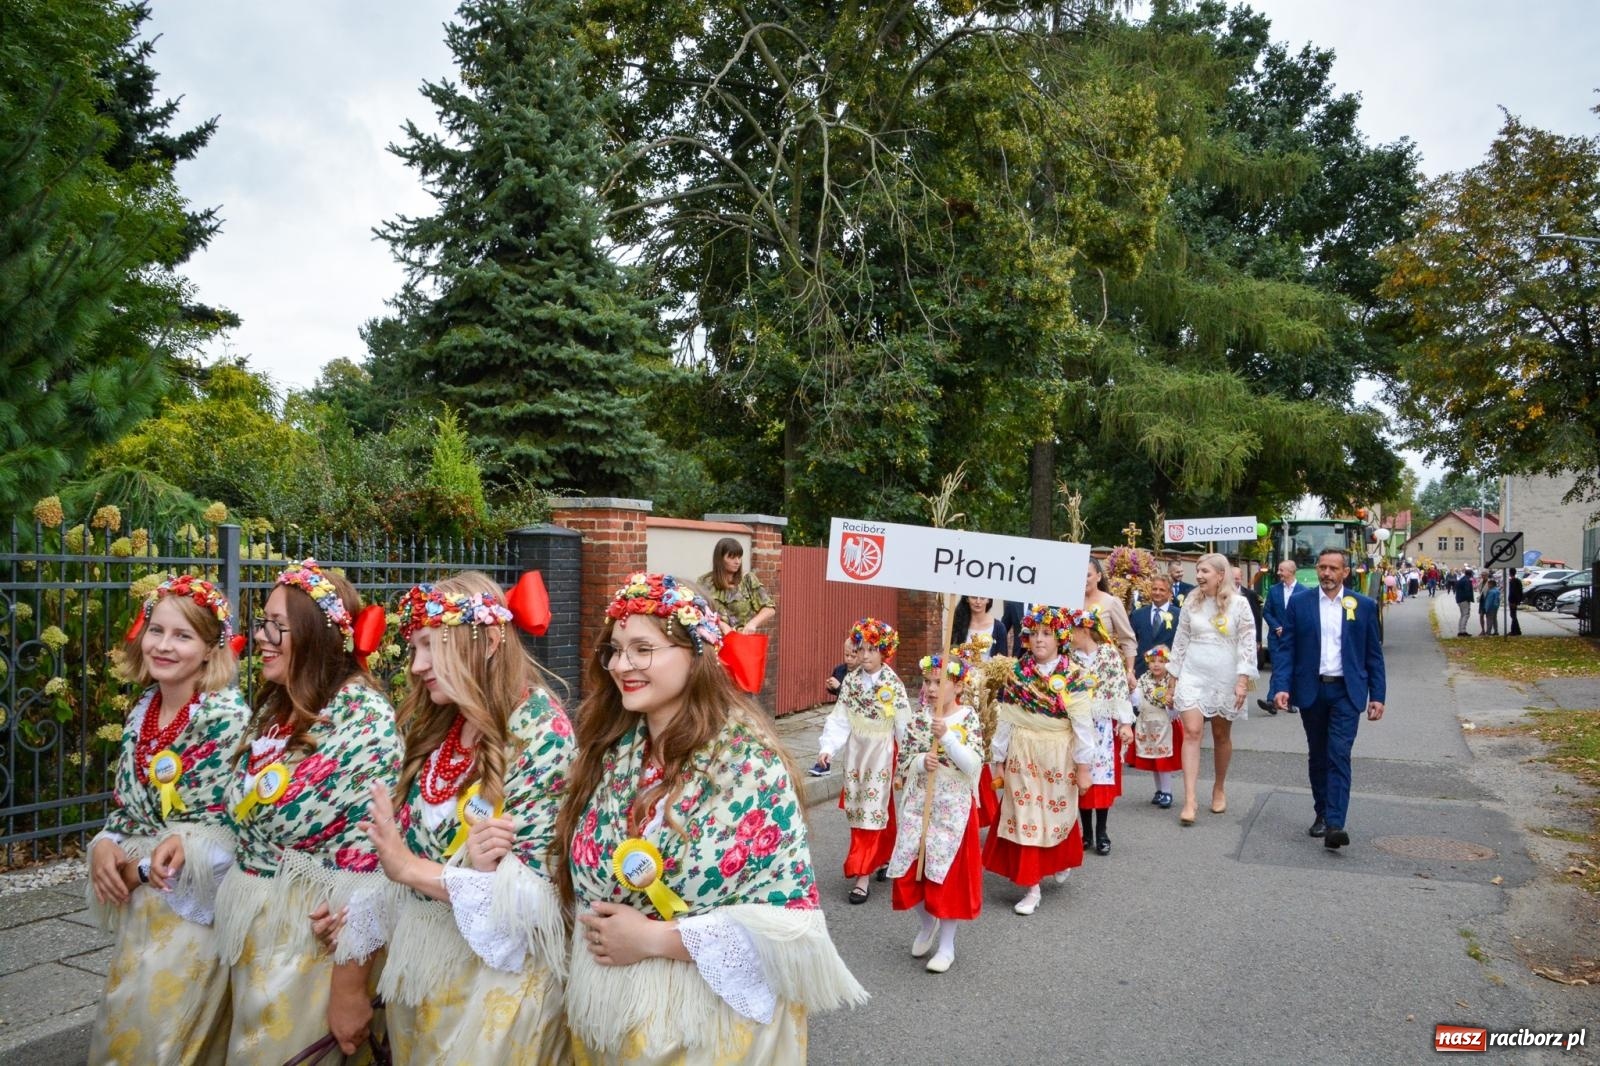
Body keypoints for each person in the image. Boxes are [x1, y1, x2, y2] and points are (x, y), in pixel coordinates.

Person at [552, 573, 865, 1064]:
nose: (621, 665)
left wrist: (653, 938)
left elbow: (789, 927)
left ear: (698, 652)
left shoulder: (749, 764)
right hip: (608, 1024)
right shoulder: (610, 750)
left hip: (707, 1030)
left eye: (642, 649)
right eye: (615, 649)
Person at [340, 572, 574, 1064]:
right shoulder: (439, 724)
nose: (418, 666)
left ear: (489, 641)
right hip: (425, 984)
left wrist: (409, 869)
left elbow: (539, 899)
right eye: (415, 649)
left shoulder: (541, 730)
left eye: (431, 647)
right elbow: (407, 862)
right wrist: (361, 921)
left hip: (498, 995)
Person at [190, 559, 400, 1062]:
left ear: (316, 635)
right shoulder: (277, 706)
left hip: (313, 954)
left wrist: (349, 988)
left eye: (276, 626)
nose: (261, 637)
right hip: (260, 948)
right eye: (261, 623)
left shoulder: (363, 719)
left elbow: (368, 862)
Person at [86, 576, 249, 1066]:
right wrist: (103, 844)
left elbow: (231, 828)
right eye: (157, 630)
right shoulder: (145, 709)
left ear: (210, 648)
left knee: (162, 1043)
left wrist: (138, 868)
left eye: (183, 636)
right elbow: (129, 808)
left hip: (191, 920)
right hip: (143, 916)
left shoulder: (226, 717)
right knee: (124, 1026)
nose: (163, 645)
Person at [982, 607, 1095, 916]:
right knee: (1025, 814)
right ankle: (1032, 886)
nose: (1040, 639)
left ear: (1060, 638)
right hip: (1023, 753)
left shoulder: (1073, 676)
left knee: (1054, 813)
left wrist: (1084, 767)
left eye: (1047, 633)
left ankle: (1060, 859)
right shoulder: (1017, 674)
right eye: (1034, 634)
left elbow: (1083, 725)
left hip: (1058, 754)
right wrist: (998, 758)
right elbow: (1006, 719)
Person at [1271, 548, 1386, 849]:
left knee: (1339, 754)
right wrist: (1280, 687)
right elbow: (1287, 650)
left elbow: (1373, 655)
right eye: (1322, 567)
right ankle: (1321, 812)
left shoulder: (1363, 606)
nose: (1326, 573)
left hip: (1347, 692)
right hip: (1312, 690)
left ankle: (1336, 823)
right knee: (1318, 755)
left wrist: (1378, 695)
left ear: (1345, 572)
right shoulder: (1300, 603)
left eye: (1333, 568)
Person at [887, 653, 985, 974]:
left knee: (947, 877)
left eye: (938, 682)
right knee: (905, 871)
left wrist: (947, 738)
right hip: (920, 804)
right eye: (927, 682)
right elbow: (903, 762)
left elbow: (973, 764)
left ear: (956, 686)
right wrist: (918, 763)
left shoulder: (967, 718)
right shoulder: (918, 720)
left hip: (953, 805)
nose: (930, 688)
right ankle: (926, 923)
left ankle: (947, 945)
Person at [815, 618, 910, 903]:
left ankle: (862, 874)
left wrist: (906, 761)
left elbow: (904, 724)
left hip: (880, 752)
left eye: (871, 650)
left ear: (884, 652)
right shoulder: (852, 682)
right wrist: (828, 748)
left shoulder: (892, 684)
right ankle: (884, 855)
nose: (865, 656)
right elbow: (841, 717)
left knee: (872, 810)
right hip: (856, 752)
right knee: (865, 810)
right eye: (862, 649)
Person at [1168, 553, 1258, 826]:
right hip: (1193, 674)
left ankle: (1219, 787)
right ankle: (1190, 799)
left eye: (1205, 571)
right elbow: (1180, 640)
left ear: (1221, 575)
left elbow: (1247, 643)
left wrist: (1243, 681)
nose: (1199, 576)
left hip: (1224, 677)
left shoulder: (1240, 604)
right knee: (1192, 732)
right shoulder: (1191, 603)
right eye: (1197, 570)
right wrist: (1172, 680)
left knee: (1220, 733)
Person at [1071, 610, 1135, 856]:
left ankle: (1102, 831)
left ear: (1085, 631)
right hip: (1078, 724)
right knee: (1081, 774)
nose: (1068, 637)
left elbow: (1118, 689)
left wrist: (1125, 723)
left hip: (1101, 725)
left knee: (1101, 777)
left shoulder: (1108, 655)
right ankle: (1085, 832)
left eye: (1072, 632)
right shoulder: (1070, 657)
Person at [1126, 647, 1181, 809]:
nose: (1156, 665)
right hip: (1147, 724)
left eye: (1161, 662)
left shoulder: (1171, 683)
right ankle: (1159, 790)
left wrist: (1172, 705)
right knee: (1154, 761)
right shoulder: (1143, 680)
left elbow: (1176, 709)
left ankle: (1167, 791)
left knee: (1163, 760)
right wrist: (1131, 690)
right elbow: (1136, 701)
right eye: (1153, 662)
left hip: (1164, 725)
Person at [699, 537, 775, 634]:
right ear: (720, 559)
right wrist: (721, 624)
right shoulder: (704, 582)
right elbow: (697, 611)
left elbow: (769, 608)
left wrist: (753, 623)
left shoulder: (748, 579)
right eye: (732, 557)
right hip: (713, 641)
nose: (737, 562)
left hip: (741, 641)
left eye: (739, 557)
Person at [1258, 560, 1301, 715]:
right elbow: (1267, 612)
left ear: (1291, 571)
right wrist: (1277, 627)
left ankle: (1289, 700)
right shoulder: (1274, 590)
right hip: (1276, 638)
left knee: (1293, 668)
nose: (1278, 573)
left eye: (1281, 570)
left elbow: (1305, 616)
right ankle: (1271, 700)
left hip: (1295, 638)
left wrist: (1291, 629)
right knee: (1278, 666)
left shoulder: (1304, 591)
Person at [1085, 557, 1137, 678]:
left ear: (1098, 576)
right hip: (1075, 668)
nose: (1083, 580)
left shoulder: (1111, 602)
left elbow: (1127, 639)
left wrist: (1130, 672)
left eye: (1088, 575)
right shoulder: (1070, 603)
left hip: (1105, 668)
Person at [1130, 574, 1180, 677]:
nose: (1157, 592)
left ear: (1170, 593)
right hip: (1140, 672)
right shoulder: (1137, 614)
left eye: (1162, 590)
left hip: (1167, 673)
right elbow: (1131, 644)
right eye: (1154, 589)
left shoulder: (1179, 615)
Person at [1233, 565, 1264, 665]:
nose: (1234, 581)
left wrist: (1257, 640)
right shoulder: (1221, 594)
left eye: (1237, 579)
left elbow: (1257, 618)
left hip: (1245, 638)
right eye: (1232, 579)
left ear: (1241, 578)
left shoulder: (1251, 595)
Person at [824, 637, 861, 702]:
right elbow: (836, 692)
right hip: (841, 708)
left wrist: (839, 687)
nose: (849, 659)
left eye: (853, 656)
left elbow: (857, 697)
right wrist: (830, 687)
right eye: (846, 655)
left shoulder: (864, 673)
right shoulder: (839, 670)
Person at [1454, 567, 1475, 637]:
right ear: (1471, 574)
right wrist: (1469, 599)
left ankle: (1460, 630)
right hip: (1464, 599)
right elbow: (1467, 591)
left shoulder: (1462, 579)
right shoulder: (1467, 581)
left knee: (1463, 615)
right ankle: (1463, 631)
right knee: (1466, 614)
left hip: (1459, 599)